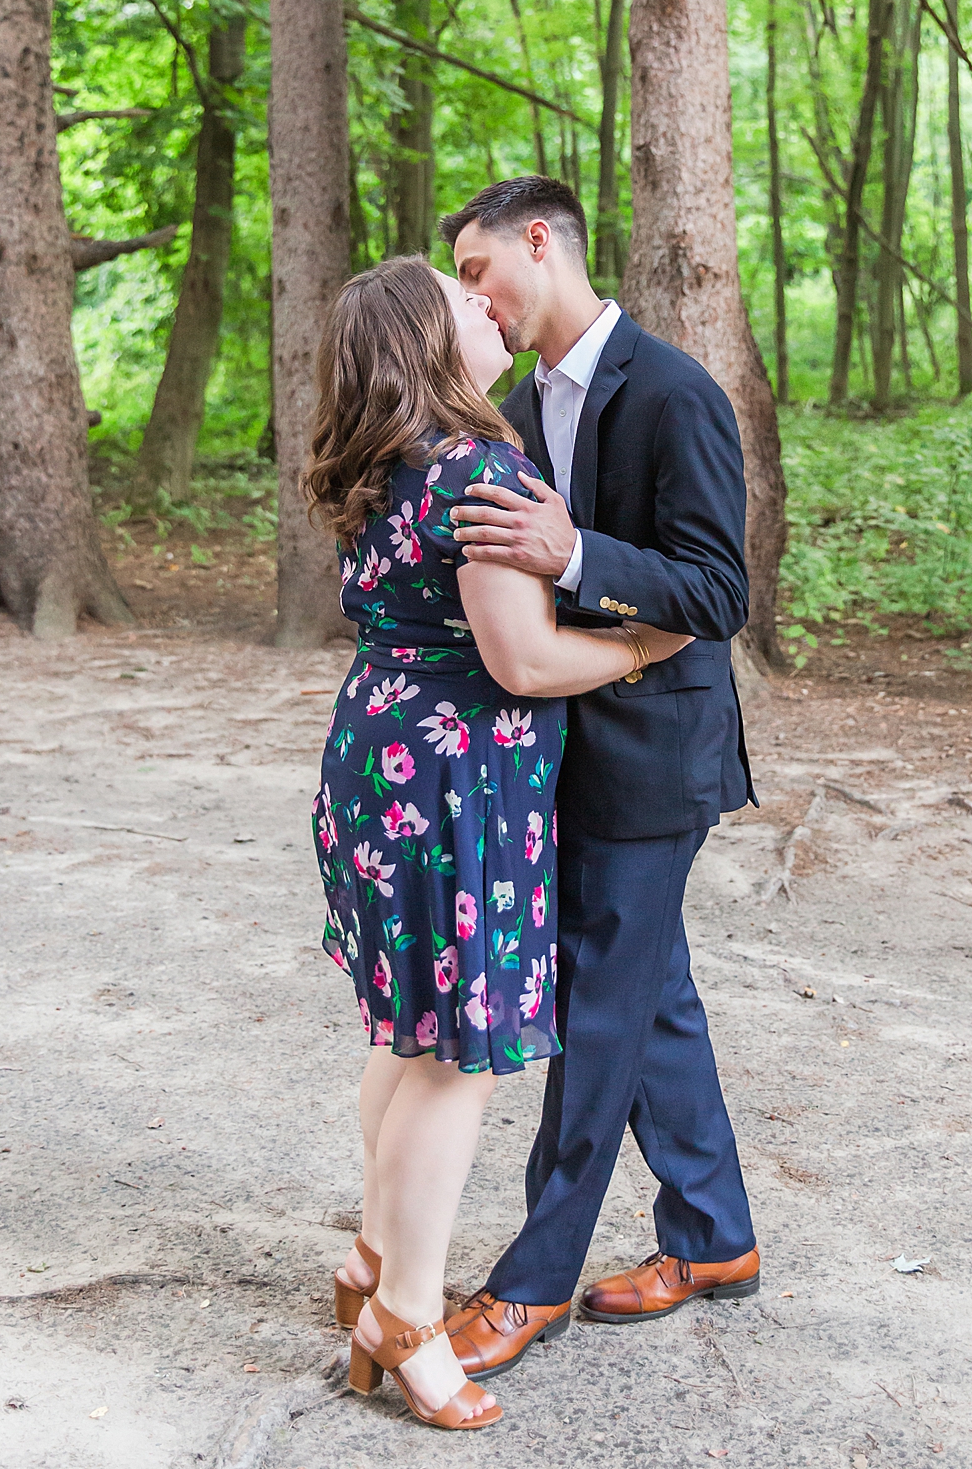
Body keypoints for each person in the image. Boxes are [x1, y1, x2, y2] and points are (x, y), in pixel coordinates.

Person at [304, 255, 691, 1432]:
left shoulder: (379, 465)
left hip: (379, 761)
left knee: (410, 1027)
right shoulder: (479, 466)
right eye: (462, 298)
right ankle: (408, 1317)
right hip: (457, 778)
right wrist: (647, 645)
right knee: (457, 1055)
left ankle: (377, 1257)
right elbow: (523, 663)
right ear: (429, 338)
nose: (489, 305)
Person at [437, 176, 760, 1381]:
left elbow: (719, 591)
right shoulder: (518, 407)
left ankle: (533, 1279)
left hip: (657, 758)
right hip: (566, 749)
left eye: (477, 269)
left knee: (598, 1012)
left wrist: (576, 551)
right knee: (653, 995)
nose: (473, 296)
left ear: (540, 241)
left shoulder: (674, 390)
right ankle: (714, 1238)